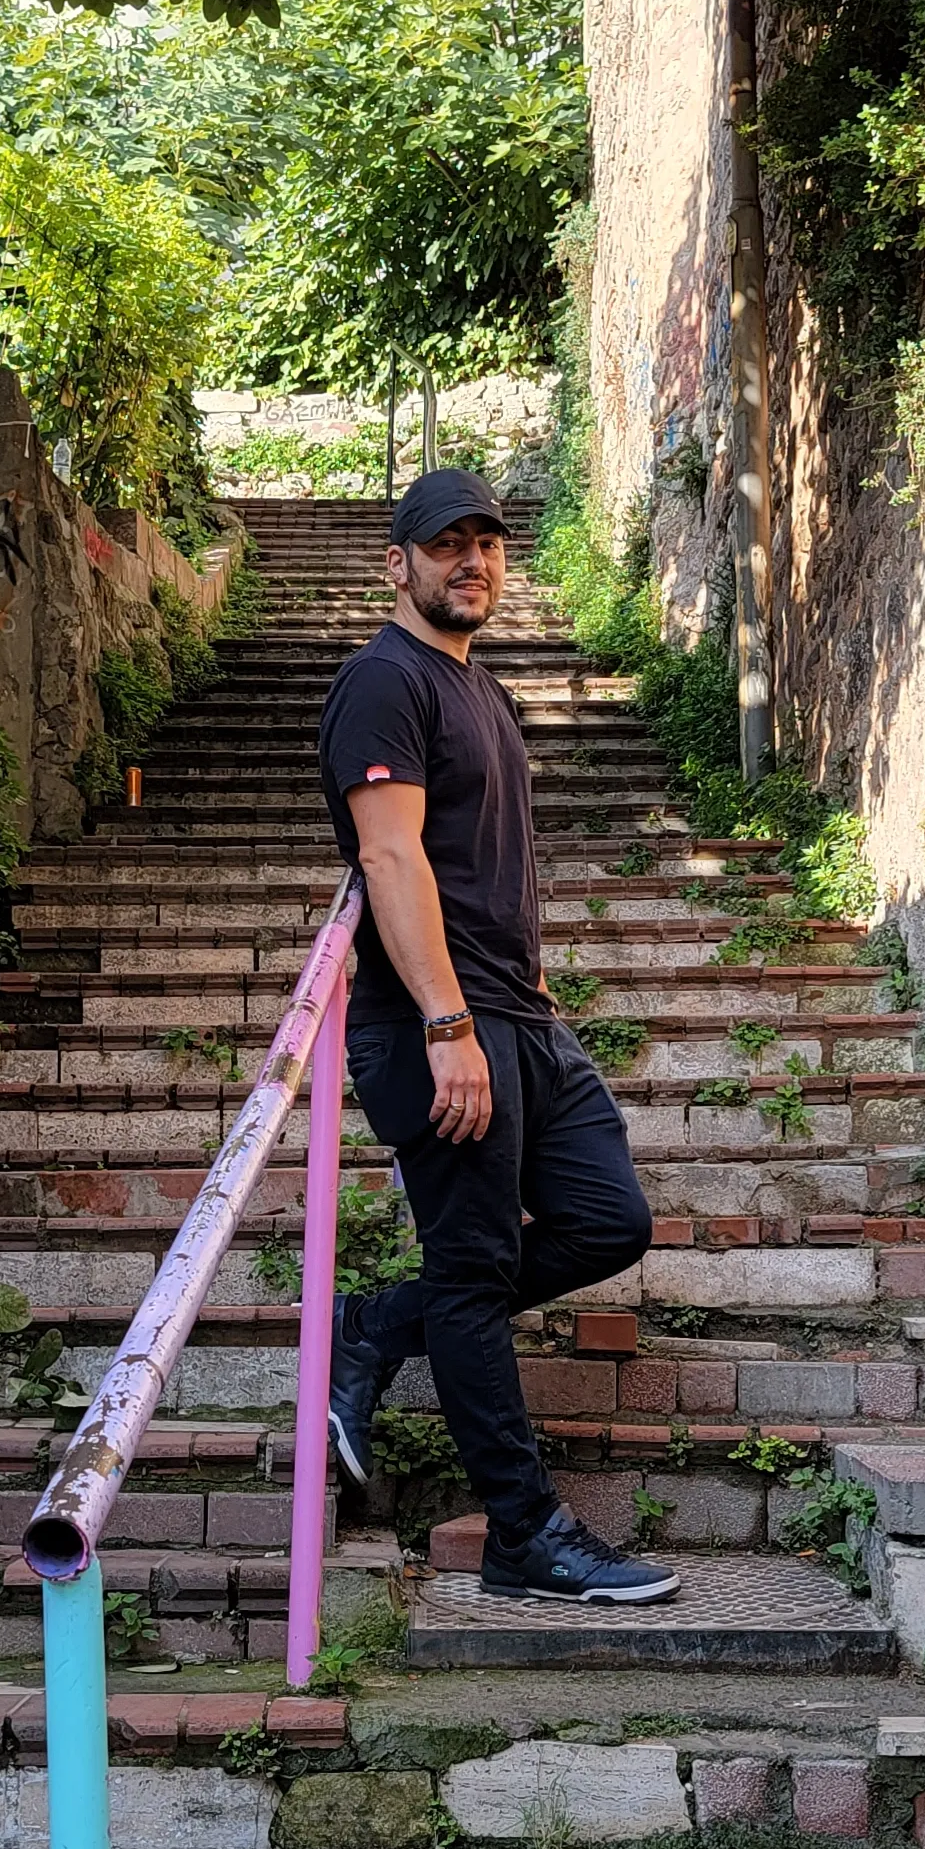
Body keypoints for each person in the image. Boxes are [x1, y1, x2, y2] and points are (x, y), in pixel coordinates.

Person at [316, 466, 680, 1603]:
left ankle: (372, 1328)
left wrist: (515, 1001)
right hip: (440, 1023)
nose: (470, 560)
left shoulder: (486, 691)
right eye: (444, 544)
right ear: (397, 564)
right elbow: (389, 858)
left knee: (607, 1217)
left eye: (486, 542)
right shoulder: (382, 684)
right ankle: (522, 1535)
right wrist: (445, 1022)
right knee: (472, 1274)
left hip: (517, 1016)